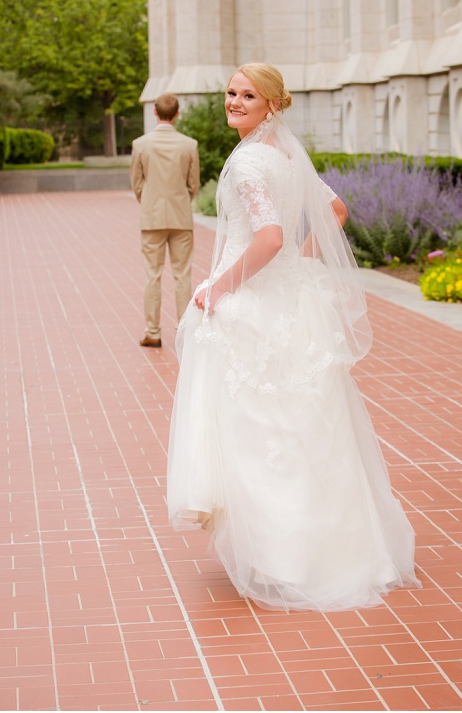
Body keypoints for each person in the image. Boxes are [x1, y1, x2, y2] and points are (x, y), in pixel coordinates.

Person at [166, 62, 419, 612]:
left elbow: (270, 237)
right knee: (300, 424)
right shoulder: (284, 153)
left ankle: (279, 554)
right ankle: (323, 547)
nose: (234, 102)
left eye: (247, 96)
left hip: (251, 302)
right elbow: (334, 210)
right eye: (231, 93)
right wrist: (300, 268)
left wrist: (217, 289)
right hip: (288, 300)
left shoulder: (252, 161)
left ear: (271, 105)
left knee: (257, 430)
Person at [130, 93, 200, 349]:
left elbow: (137, 183)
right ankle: (183, 329)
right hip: (181, 216)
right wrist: (182, 200)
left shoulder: (141, 144)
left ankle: (153, 331)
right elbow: (194, 184)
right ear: (177, 114)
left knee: (152, 275)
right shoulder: (189, 144)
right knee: (183, 275)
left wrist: (148, 201)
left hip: (151, 217)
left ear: (155, 113)